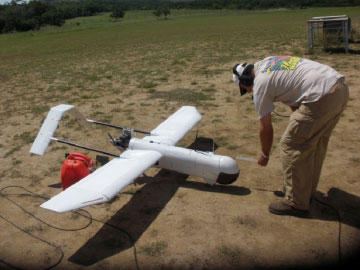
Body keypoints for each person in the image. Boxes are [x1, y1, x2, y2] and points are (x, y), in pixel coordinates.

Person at [232, 56, 349, 217]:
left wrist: (265, 154)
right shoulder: (267, 63)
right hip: (338, 88)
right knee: (315, 143)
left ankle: (296, 203)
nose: (248, 91)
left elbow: (266, 127)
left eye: (245, 88)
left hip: (320, 96)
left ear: (244, 81)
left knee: (291, 145)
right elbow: (293, 92)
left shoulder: (260, 84)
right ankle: (306, 193)